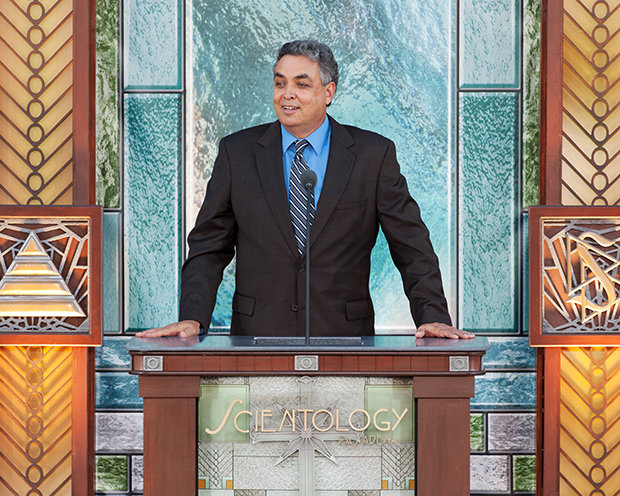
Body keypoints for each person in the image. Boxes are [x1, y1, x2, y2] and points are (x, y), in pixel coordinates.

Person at [137, 40, 473, 340]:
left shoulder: (373, 155)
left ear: (328, 92)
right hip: (256, 340)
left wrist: (432, 317)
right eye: (280, 83)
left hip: (344, 341)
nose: (287, 94)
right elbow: (208, 248)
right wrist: (193, 317)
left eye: (301, 84)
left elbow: (411, 245)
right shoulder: (236, 153)